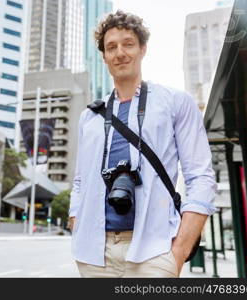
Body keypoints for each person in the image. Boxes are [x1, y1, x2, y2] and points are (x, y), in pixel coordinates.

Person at [68, 10, 216, 278]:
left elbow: (201, 177)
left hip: (155, 250)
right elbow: (80, 182)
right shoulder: (89, 116)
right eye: (111, 47)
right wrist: (76, 223)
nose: (120, 53)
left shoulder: (175, 102)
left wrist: (179, 252)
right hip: (93, 254)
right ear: (103, 56)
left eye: (128, 44)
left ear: (143, 49)